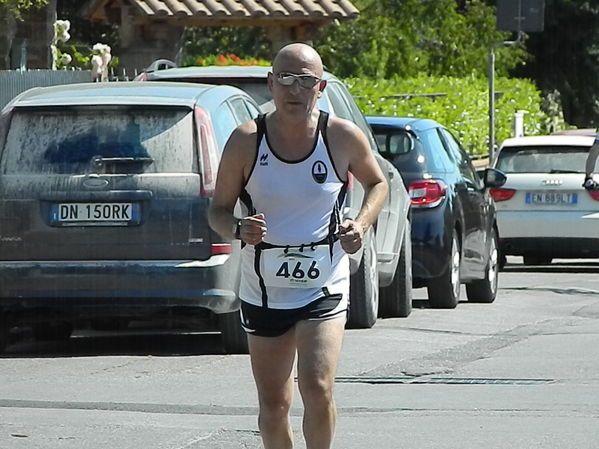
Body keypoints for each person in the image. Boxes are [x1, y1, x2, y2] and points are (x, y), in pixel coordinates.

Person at [208, 42, 388, 449]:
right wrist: (239, 229)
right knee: (274, 402)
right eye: (286, 78)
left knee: (318, 386)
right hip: (264, 287)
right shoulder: (246, 141)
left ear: (320, 87)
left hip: (324, 281)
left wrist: (360, 223)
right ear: (271, 84)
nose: (295, 89)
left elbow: (379, 183)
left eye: (305, 81)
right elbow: (217, 211)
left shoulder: (340, 136)